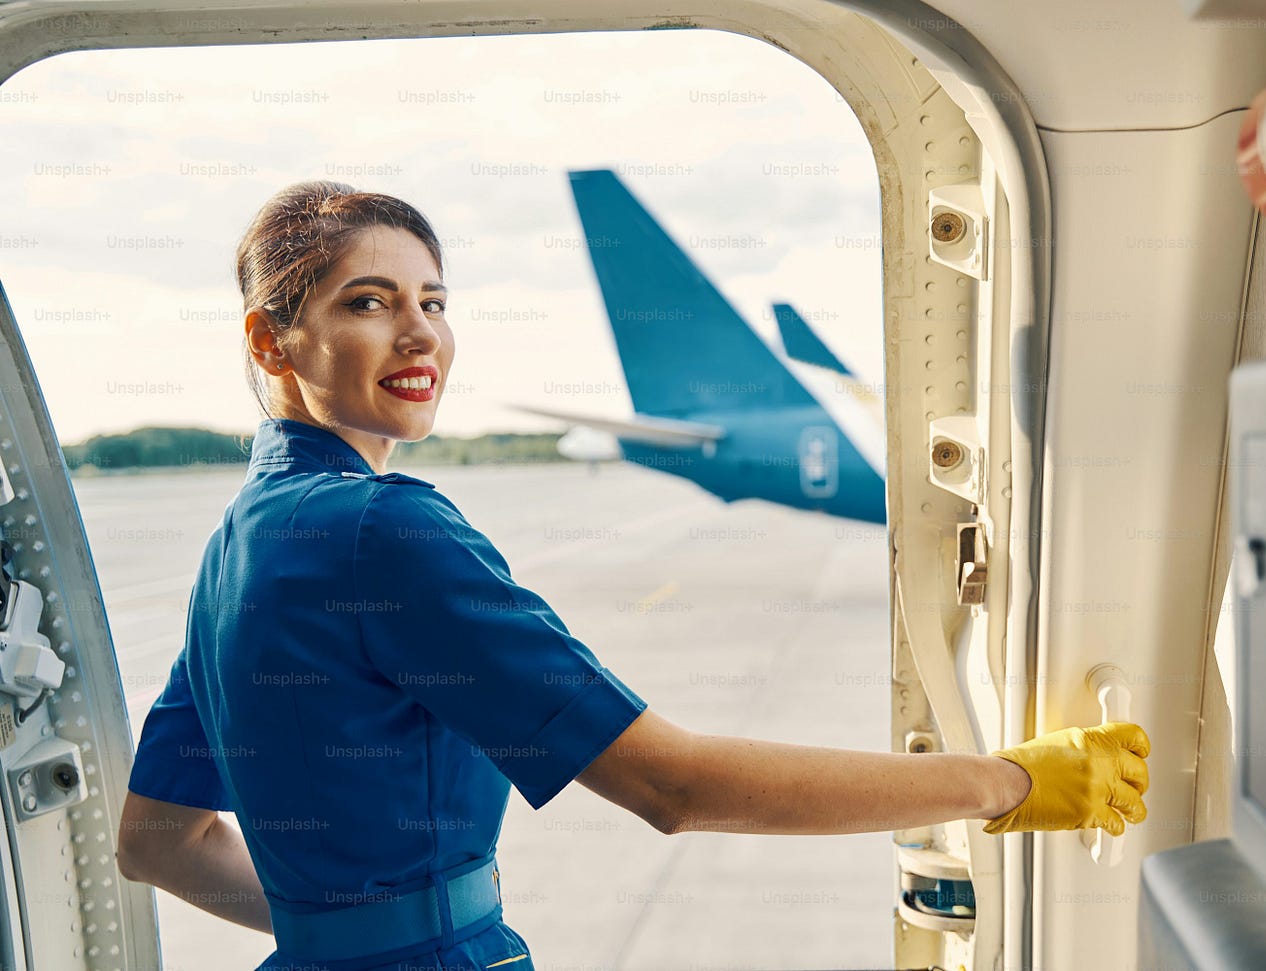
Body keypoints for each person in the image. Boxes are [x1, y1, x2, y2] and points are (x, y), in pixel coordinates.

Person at [115, 181, 1151, 971]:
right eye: (370, 302)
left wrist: (331, 919)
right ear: (271, 336)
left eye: (433, 299)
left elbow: (158, 839)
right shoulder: (382, 528)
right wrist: (1006, 780)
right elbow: (673, 784)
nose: (420, 330)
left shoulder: (239, 541)